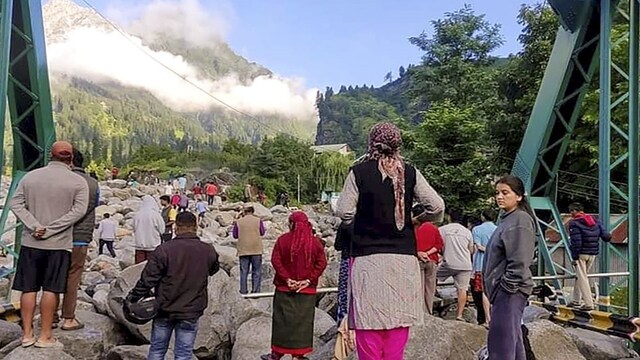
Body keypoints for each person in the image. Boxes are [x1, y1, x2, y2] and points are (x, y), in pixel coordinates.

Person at [335, 122, 445, 360]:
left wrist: (359, 220)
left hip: (367, 260)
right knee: (397, 323)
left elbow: (344, 211)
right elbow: (436, 207)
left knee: (368, 323)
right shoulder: (410, 172)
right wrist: (416, 219)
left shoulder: (359, 172)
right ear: (397, 144)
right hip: (403, 260)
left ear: (372, 142)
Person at [10, 141, 89, 348]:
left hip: (31, 242)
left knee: (28, 289)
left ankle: (27, 335)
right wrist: (52, 228)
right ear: (71, 158)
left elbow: (15, 203)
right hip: (58, 244)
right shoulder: (77, 182)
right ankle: (45, 336)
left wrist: (35, 225)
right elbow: (78, 211)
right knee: (51, 290)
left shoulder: (31, 177)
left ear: (49, 156)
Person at [128, 212, 220, 360]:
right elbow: (214, 269)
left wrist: (133, 297)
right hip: (191, 309)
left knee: (157, 351)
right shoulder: (207, 250)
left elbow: (148, 279)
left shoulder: (164, 249)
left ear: (176, 227)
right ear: (196, 227)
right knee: (183, 354)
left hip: (164, 308)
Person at [483, 175, 537, 360]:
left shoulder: (519, 220)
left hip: (510, 291)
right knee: (512, 342)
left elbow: (520, 260)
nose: (499, 197)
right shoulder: (509, 219)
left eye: (505, 193)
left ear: (519, 196)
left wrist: (505, 287)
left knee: (501, 345)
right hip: (506, 291)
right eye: (497, 193)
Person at [261, 211, 327, 360]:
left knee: (281, 322)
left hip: (284, 289)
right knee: (302, 325)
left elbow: (276, 260)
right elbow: (321, 263)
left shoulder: (282, 240)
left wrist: (287, 279)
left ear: (292, 224)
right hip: (306, 291)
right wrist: (308, 280)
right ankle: (298, 355)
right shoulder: (315, 243)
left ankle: (276, 353)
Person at [60, 149, 100, 331]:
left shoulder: (61, 180)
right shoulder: (93, 183)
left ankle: (51, 316)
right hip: (81, 238)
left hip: (59, 236)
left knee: (53, 275)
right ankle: (68, 317)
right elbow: (93, 206)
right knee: (74, 277)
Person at [567, 202, 611, 310]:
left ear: (574, 211)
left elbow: (576, 242)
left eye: (571, 211)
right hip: (592, 254)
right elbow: (607, 236)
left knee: (582, 278)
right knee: (581, 276)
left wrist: (574, 257)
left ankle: (588, 303)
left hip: (581, 254)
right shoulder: (595, 220)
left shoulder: (574, 223)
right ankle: (576, 300)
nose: (571, 213)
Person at [437, 209, 474, 322]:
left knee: (432, 276)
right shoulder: (467, 232)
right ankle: (459, 315)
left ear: (449, 217)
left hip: (449, 263)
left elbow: (438, 245)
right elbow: (471, 250)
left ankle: (432, 297)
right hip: (465, 265)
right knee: (462, 289)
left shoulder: (442, 230)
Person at [412, 204, 444, 315]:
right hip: (432, 260)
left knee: (419, 288)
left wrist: (420, 254)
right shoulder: (433, 228)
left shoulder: (412, 228)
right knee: (430, 288)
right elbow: (439, 244)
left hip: (417, 260)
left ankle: (420, 312)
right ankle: (429, 311)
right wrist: (428, 253)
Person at [471, 209, 498, 327]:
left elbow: (478, 246)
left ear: (483, 217)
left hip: (480, 265)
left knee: (482, 292)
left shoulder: (476, 230)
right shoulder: (498, 229)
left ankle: (486, 319)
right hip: (496, 265)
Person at [232, 206, 266, 294]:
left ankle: (243, 291)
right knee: (257, 271)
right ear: (253, 212)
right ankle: (256, 291)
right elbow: (262, 232)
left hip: (243, 249)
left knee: (244, 272)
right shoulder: (258, 220)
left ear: (244, 212)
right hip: (256, 248)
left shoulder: (239, 222)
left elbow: (235, 235)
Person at [133, 195, 165, 264]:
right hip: (153, 245)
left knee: (139, 267)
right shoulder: (156, 215)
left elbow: (134, 228)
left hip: (139, 245)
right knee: (152, 266)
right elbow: (162, 230)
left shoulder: (137, 215)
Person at [334, 222, 353, 324]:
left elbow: (338, 245)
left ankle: (343, 324)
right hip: (364, 262)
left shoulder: (345, 224)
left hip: (347, 260)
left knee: (344, 294)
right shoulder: (367, 222)